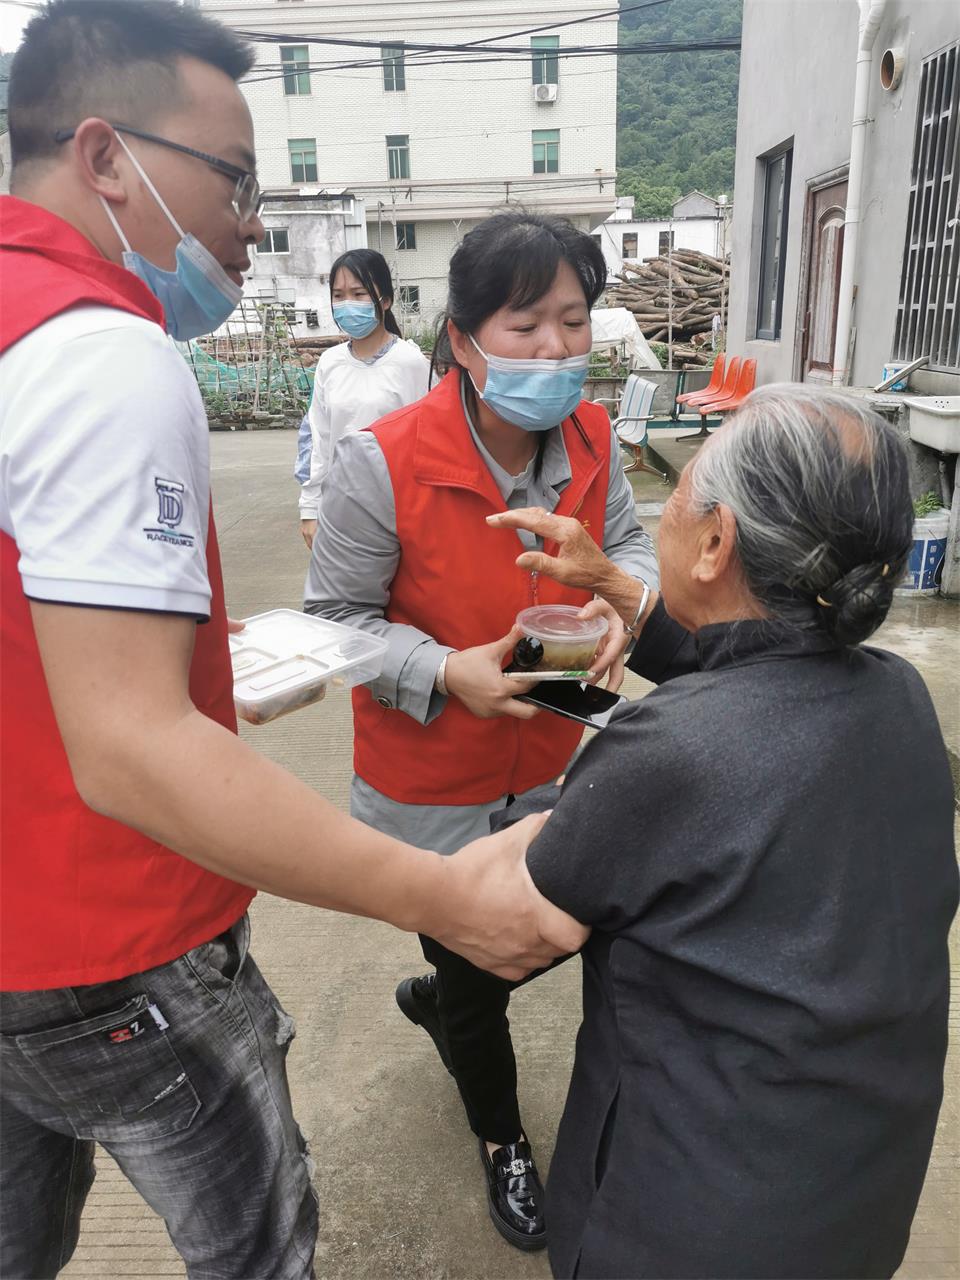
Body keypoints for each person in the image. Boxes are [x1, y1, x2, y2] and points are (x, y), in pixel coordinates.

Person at [0, 6, 585, 1278]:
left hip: (533, 759)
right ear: (106, 155)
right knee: (261, 1245)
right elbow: (135, 742)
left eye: (574, 324)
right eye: (237, 180)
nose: (255, 224)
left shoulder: (587, 445)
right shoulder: (108, 357)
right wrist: (435, 875)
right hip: (118, 941)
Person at [491, 386, 959, 1279]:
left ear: (716, 543)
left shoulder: (670, 751)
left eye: (679, 501)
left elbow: (510, 918)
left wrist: (530, 814)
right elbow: (764, 664)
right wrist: (615, 591)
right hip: (853, 1191)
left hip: (686, 1223)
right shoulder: (898, 695)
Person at [305, 210, 658, 1252]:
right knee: (476, 975)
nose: (555, 349)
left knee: (579, 922)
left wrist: (613, 598)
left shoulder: (592, 436)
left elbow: (626, 541)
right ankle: (501, 1134)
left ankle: (441, 995)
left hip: (555, 731)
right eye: (523, 325)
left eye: (572, 321)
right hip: (435, 768)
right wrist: (444, 670)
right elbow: (333, 626)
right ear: (460, 338)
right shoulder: (384, 461)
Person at [298, 248, 430, 548]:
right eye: (339, 295)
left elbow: (433, 437)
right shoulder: (330, 363)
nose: (347, 304)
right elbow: (318, 439)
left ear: (384, 300)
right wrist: (309, 508)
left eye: (359, 294)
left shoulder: (410, 362)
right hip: (342, 511)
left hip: (404, 511)